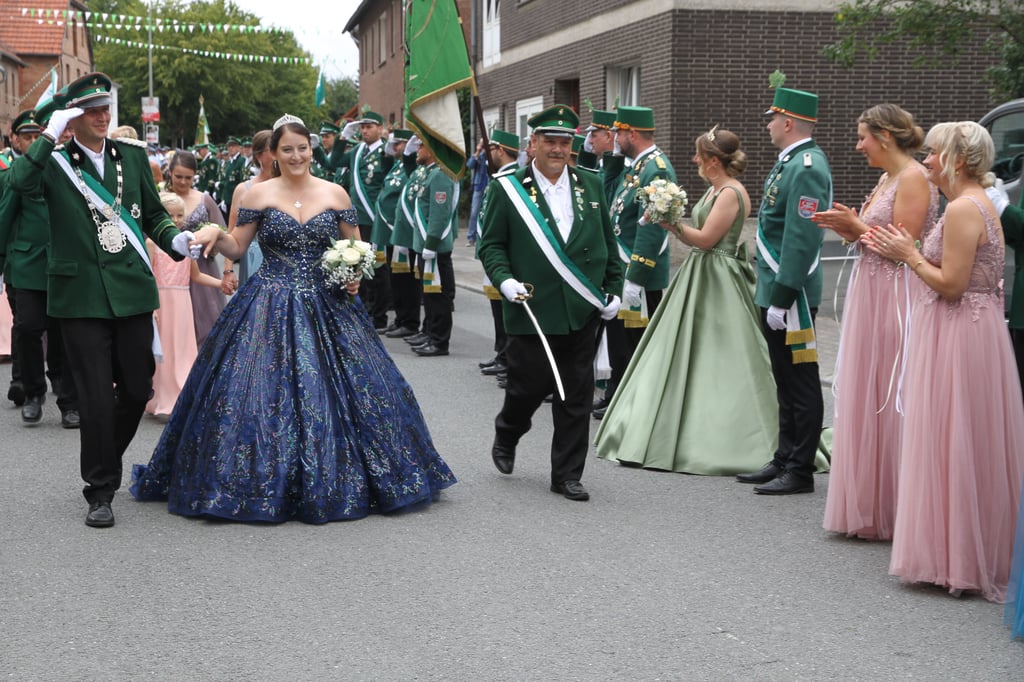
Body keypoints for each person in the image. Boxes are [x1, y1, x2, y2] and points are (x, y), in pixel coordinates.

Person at [130, 115, 456, 523]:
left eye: (302, 148)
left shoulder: (335, 193)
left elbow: (356, 247)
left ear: (311, 150)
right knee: (255, 389)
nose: (296, 155)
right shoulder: (258, 194)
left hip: (329, 301)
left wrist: (354, 274)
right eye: (287, 149)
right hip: (268, 298)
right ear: (274, 154)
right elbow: (236, 247)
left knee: (361, 389)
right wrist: (215, 232)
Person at [5, 72, 196, 527]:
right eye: (91, 109)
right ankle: (100, 488)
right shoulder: (51, 160)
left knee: (136, 388)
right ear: (73, 116)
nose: (102, 114)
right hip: (80, 296)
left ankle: (105, 455)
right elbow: (17, 186)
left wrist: (177, 240)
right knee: (92, 396)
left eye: (105, 107)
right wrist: (50, 132)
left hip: (130, 291)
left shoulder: (130, 156)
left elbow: (152, 214)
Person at [866, 121, 1024, 602]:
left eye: (934, 153)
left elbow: (952, 284)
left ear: (956, 158)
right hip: (969, 332)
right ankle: (956, 552)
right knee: (960, 439)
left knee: (954, 438)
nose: (927, 159)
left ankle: (960, 560)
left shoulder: (962, 208)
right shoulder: (974, 203)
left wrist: (909, 254)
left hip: (960, 334)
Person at [595, 127, 781, 474]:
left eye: (699, 155)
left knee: (722, 354)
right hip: (702, 272)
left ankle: (724, 431)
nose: (694, 160)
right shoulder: (716, 189)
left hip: (719, 275)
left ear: (713, 160)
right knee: (686, 350)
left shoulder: (730, 192)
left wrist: (669, 223)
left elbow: (708, 239)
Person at [478, 104, 622, 501]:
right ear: (533, 144)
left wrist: (613, 290)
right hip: (531, 308)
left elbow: (608, 244)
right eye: (551, 142)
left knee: (575, 395)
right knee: (527, 388)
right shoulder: (507, 189)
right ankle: (508, 430)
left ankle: (567, 475)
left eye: (565, 143)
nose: (558, 150)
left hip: (581, 309)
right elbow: (491, 245)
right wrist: (504, 280)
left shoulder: (591, 185)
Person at [813, 104, 938, 539]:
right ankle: (871, 499)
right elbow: (873, 235)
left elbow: (905, 243)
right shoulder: (888, 177)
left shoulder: (915, 178)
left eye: (863, 136)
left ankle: (897, 502)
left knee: (890, 385)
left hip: (897, 294)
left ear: (885, 136)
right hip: (872, 288)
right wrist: (850, 227)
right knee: (866, 384)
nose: (858, 144)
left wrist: (855, 225)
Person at [736, 83, 832, 495]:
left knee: (801, 381)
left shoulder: (807, 166)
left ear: (788, 121)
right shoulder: (790, 162)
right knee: (785, 379)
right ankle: (783, 457)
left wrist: (784, 296)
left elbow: (801, 238)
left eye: (773, 118)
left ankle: (800, 469)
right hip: (778, 290)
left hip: (792, 298)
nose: (770, 124)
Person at [0, 103, 80, 427]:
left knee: (67, 333)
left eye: (40, 135)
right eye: (29, 136)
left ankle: (68, 398)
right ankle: (33, 392)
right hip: (28, 263)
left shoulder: (70, 167)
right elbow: (4, 217)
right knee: (28, 328)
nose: (35, 141)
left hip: (65, 263)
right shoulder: (15, 175)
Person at [596, 105, 675, 420]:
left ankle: (634, 403)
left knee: (633, 343)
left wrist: (638, 274)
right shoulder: (636, 166)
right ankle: (617, 392)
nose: (613, 137)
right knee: (618, 339)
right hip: (622, 267)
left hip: (639, 273)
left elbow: (654, 224)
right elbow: (608, 194)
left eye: (617, 132)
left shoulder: (657, 168)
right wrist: (614, 157)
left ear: (631, 133)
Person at [146, 192, 222, 417]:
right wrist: (151, 306)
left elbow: (196, 276)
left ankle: (183, 397)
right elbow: (148, 275)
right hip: (162, 303)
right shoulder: (152, 243)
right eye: (171, 215)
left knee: (184, 350)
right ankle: (162, 396)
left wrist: (221, 284)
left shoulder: (187, 243)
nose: (177, 220)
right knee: (165, 351)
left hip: (182, 304)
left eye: (180, 215)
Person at [166, 151, 227, 346]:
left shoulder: (204, 200)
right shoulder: (162, 199)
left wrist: (227, 269)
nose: (183, 182)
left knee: (205, 321)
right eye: (178, 177)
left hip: (202, 267)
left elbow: (222, 233)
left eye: (188, 178)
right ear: (170, 173)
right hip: (170, 270)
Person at [476, 129, 521, 382]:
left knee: (506, 311)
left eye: (491, 150)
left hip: (507, 256)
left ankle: (509, 359)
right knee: (497, 309)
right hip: (494, 252)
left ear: (500, 151)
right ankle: (502, 354)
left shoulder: (512, 179)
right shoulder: (500, 177)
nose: (487, 155)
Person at [407, 141, 458, 357]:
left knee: (438, 296)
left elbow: (439, 214)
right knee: (429, 294)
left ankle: (439, 341)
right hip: (426, 246)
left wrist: (432, 243)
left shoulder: (439, 175)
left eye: (421, 146)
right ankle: (430, 333)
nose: (417, 150)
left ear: (433, 150)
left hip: (435, 248)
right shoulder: (430, 173)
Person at [223, 129, 273, 290]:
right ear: (259, 156)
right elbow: (231, 232)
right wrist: (228, 270)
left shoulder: (291, 188)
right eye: (272, 149)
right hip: (253, 257)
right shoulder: (244, 189)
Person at [465, 138, 489, 246]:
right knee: (474, 212)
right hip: (478, 186)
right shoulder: (478, 155)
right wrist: (478, 151)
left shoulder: (490, 154)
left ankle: (483, 236)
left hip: (489, 186)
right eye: (481, 144)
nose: (483, 146)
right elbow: (469, 165)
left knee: (487, 212)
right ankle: (471, 237)